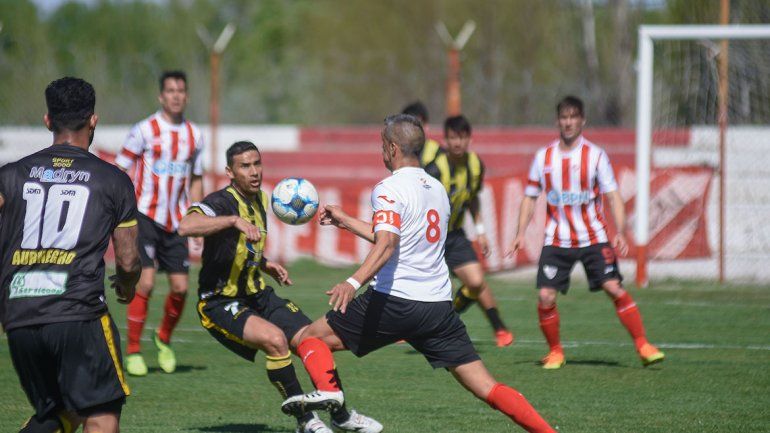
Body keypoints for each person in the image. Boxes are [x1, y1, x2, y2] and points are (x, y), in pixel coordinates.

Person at [283, 114, 555, 432]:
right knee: (488, 388)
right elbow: (395, 237)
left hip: (394, 302)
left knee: (308, 339)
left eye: (383, 145)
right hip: (438, 308)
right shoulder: (438, 189)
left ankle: (333, 400)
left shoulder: (388, 187)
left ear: (394, 148)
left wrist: (352, 281)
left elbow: (387, 243)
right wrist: (346, 220)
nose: (382, 152)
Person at [177, 141, 382, 433]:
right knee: (275, 340)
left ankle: (341, 415)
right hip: (220, 301)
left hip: (258, 293)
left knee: (313, 340)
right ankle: (307, 421)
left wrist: (265, 264)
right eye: (245, 166)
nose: (254, 171)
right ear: (230, 172)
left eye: (257, 163)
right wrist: (233, 220)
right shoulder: (223, 202)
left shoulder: (261, 198)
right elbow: (186, 225)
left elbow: (240, 247)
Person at [0, 77, 141, 433]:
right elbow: (127, 261)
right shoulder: (113, 181)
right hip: (78, 312)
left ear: (48, 120)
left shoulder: (10, 175)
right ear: (93, 120)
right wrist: (126, 286)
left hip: (19, 316)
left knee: (60, 412)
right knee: (101, 414)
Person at [508, 96, 665, 369]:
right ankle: (555, 351)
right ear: (558, 121)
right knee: (545, 295)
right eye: (564, 117)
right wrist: (520, 232)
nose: (568, 122)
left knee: (613, 287)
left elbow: (613, 195)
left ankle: (643, 344)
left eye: (573, 117)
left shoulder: (595, 155)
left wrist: (620, 231)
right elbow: (530, 197)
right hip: (557, 239)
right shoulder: (543, 157)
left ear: (582, 120)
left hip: (593, 237)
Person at [114, 70, 205, 376]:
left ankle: (164, 337)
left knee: (180, 288)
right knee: (147, 282)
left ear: (187, 95)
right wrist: (122, 210)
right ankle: (133, 351)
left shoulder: (195, 135)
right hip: (145, 216)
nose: (176, 95)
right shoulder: (144, 129)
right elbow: (121, 168)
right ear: (161, 96)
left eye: (181, 90)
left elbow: (195, 178)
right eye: (170, 90)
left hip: (177, 221)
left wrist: (197, 215)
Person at [424, 115, 514, 347]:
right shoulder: (434, 170)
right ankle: (405, 328)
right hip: (429, 239)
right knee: (421, 289)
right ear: (445, 139)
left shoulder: (476, 165)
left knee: (475, 282)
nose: (457, 143)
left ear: (469, 139)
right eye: (453, 138)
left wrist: (481, 231)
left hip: (454, 235)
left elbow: (472, 199)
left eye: (462, 137)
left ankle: (498, 327)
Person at [401, 101, 443, 166]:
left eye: (417, 124)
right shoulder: (398, 153)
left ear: (426, 125)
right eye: (408, 125)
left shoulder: (437, 152)